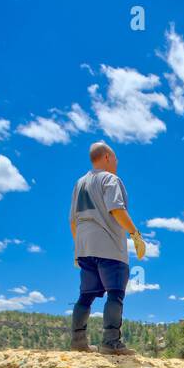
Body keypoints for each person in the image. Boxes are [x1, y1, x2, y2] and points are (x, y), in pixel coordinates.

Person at [68, 141, 147, 354]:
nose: (117, 161)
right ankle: (111, 342)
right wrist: (135, 234)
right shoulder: (110, 179)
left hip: (85, 248)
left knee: (86, 295)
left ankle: (78, 341)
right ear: (106, 157)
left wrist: (78, 248)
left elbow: (73, 221)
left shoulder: (80, 183)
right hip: (109, 245)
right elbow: (117, 209)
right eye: (115, 157)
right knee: (115, 293)